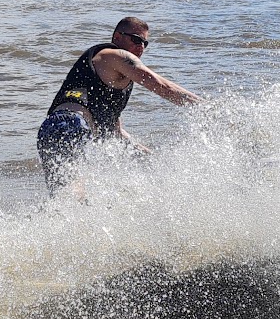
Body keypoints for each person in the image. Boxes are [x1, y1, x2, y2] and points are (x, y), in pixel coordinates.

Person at [36, 16, 202, 195]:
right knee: (73, 197)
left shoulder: (110, 81)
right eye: (136, 40)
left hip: (51, 130)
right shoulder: (113, 55)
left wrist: (153, 158)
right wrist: (206, 108)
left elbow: (117, 134)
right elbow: (162, 86)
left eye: (145, 43)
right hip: (70, 124)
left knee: (66, 200)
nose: (141, 47)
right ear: (117, 37)